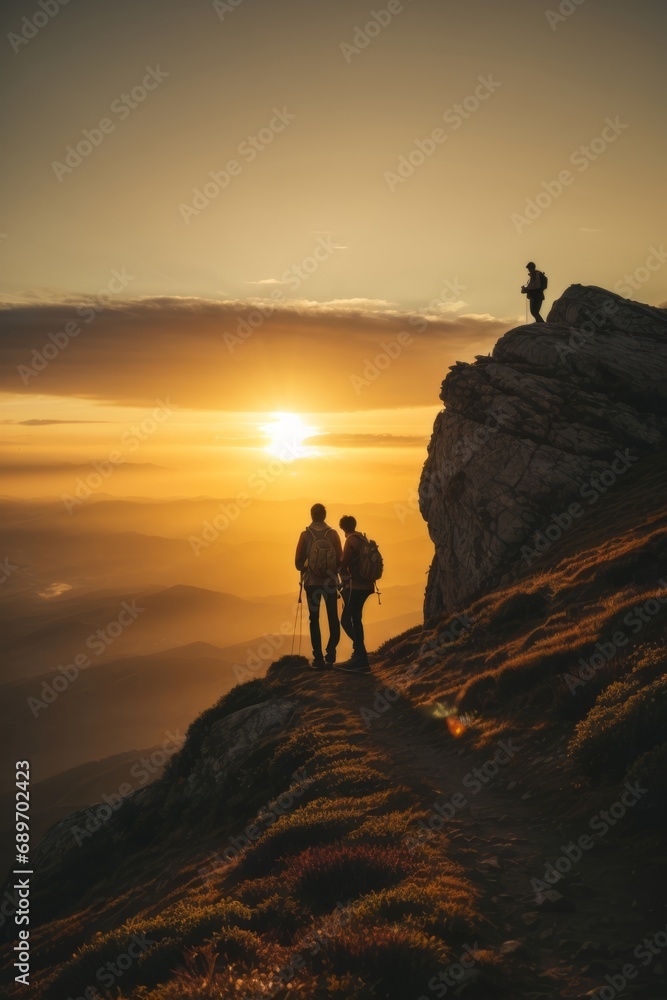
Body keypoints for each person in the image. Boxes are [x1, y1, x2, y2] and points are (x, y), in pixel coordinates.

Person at [294, 503, 342, 669]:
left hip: (312, 583)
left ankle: (318, 658)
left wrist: (308, 566)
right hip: (331, 583)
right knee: (333, 617)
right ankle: (331, 653)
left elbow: (298, 563)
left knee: (314, 619)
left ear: (311, 515)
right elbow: (340, 560)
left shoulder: (305, 535)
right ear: (325, 515)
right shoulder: (333, 534)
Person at [335, 515, 375, 673]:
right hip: (367, 585)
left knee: (347, 620)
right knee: (356, 619)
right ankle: (360, 654)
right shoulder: (363, 538)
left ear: (343, 528)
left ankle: (361, 657)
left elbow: (343, 564)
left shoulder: (350, 540)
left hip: (356, 587)